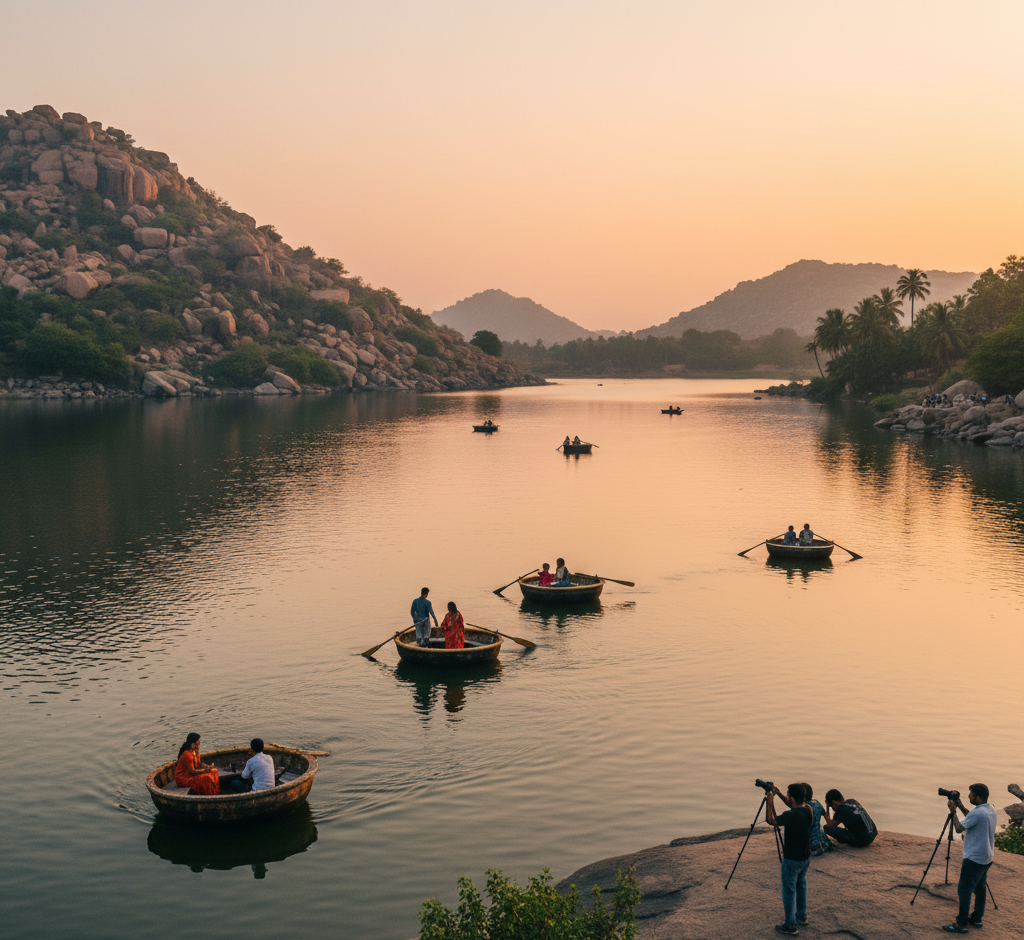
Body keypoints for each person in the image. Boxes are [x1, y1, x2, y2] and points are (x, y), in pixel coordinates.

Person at [941, 783, 997, 933]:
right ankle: (977, 919)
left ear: (978, 797)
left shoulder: (977, 814)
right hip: (987, 857)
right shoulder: (990, 809)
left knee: (964, 890)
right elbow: (972, 818)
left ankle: (961, 923)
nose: (968, 796)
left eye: (971, 795)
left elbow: (959, 828)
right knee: (980, 889)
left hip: (974, 858)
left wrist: (953, 812)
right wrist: (961, 807)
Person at [766, 782, 813, 935]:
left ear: (792, 797)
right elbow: (792, 805)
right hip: (805, 857)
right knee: (801, 884)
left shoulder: (790, 815)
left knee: (789, 890)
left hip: (792, 859)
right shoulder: (808, 809)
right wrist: (778, 793)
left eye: (788, 796)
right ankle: (801, 916)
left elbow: (771, 820)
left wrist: (770, 800)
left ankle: (790, 925)